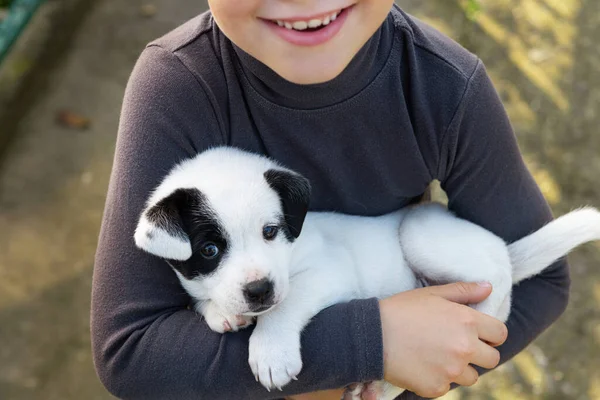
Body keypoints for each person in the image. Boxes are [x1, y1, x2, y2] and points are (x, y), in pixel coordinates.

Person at [91, 1, 570, 399]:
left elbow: (543, 282)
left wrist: (418, 369)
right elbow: (130, 353)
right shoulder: (176, 86)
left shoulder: (444, 86)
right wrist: (367, 347)